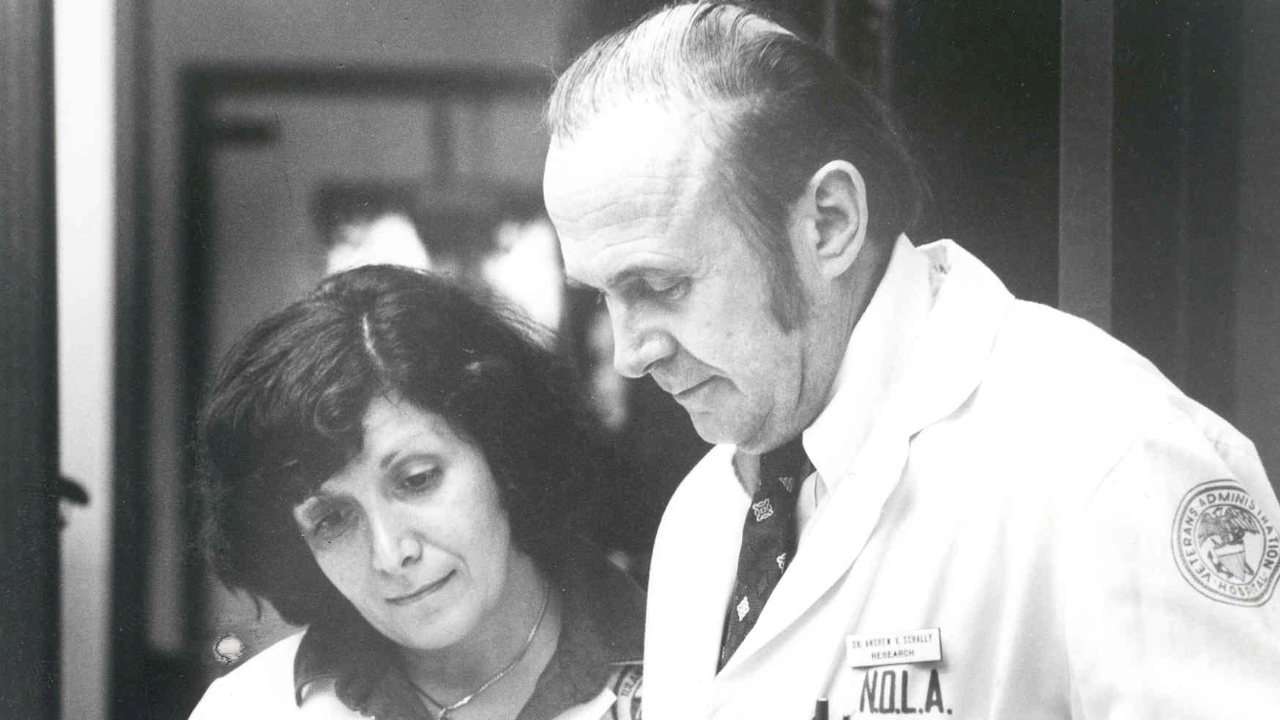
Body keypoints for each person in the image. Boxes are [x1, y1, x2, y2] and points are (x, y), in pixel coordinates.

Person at [541, 2, 1280, 718]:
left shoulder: (1109, 459)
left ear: (828, 222)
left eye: (660, 286)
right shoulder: (702, 520)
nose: (632, 353)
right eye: (601, 296)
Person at [189, 265, 643, 720]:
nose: (390, 554)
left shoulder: (688, 672)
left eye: (417, 479)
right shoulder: (249, 710)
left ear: (504, 451)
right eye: (332, 520)